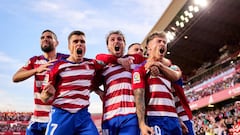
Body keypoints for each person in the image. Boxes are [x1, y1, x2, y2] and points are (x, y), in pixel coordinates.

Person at [40, 30, 107, 135]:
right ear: (69, 46)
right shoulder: (57, 66)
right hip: (62, 114)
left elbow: (106, 60)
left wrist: (98, 91)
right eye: (75, 41)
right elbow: (43, 98)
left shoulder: (92, 64)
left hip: (82, 116)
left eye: (82, 42)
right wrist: (48, 93)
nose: (79, 44)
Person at [12, 29, 68, 135]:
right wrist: (36, 70)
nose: (45, 39)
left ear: (57, 43)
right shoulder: (34, 61)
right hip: (37, 118)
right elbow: (15, 77)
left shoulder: (65, 59)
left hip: (57, 117)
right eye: (42, 38)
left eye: (49, 37)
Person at [94, 30, 147, 135]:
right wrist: (99, 92)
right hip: (109, 117)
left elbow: (151, 60)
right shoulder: (104, 67)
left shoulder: (133, 59)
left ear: (124, 44)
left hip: (130, 115)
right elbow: (91, 83)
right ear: (108, 46)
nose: (116, 42)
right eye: (112, 40)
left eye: (120, 39)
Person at [132, 31, 183, 135]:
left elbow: (176, 79)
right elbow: (139, 97)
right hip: (155, 117)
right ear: (149, 47)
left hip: (173, 119)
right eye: (159, 41)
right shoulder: (140, 69)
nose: (162, 44)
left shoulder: (167, 70)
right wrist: (141, 123)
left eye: (164, 42)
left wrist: (179, 120)